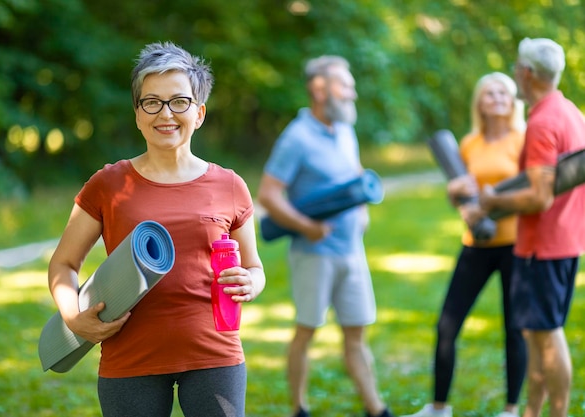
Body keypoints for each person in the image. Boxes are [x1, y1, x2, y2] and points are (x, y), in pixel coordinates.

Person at [47, 42, 266, 417]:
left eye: (179, 101)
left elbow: (254, 268)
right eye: (152, 102)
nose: (165, 113)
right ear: (137, 114)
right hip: (129, 358)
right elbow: (63, 264)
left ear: (199, 113)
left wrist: (251, 283)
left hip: (215, 355)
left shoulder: (230, 185)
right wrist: (72, 316)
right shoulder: (108, 184)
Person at [257, 55, 393, 417]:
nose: (353, 92)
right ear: (320, 89)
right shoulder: (297, 138)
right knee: (307, 331)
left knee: (356, 334)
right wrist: (307, 227)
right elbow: (268, 194)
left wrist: (362, 211)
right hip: (313, 254)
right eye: (345, 85)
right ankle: (299, 409)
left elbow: (355, 173)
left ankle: (376, 409)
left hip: (352, 251)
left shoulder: (344, 129)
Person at [403, 73, 528, 417]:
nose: (497, 98)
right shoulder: (469, 143)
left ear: (514, 99)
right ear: (480, 102)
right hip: (475, 245)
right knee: (446, 326)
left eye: (503, 91)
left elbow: (532, 192)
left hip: (514, 246)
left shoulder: (524, 140)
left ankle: (511, 409)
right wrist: (456, 198)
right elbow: (460, 193)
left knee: (514, 330)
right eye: (490, 93)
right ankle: (439, 407)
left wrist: (489, 205)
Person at [478, 38, 585, 417]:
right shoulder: (570, 111)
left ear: (525, 73)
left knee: (547, 336)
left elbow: (539, 197)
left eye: (515, 68)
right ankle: (532, 413)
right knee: (536, 337)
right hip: (565, 242)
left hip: (543, 246)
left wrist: (493, 201)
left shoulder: (542, 122)